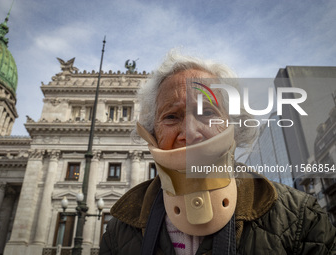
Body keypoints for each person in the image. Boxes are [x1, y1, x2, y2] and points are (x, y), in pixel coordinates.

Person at [100, 51, 336, 255]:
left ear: (234, 126)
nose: (190, 133)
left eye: (207, 113)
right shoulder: (119, 229)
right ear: (152, 133)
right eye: (171, 116)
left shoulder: (301, 218)